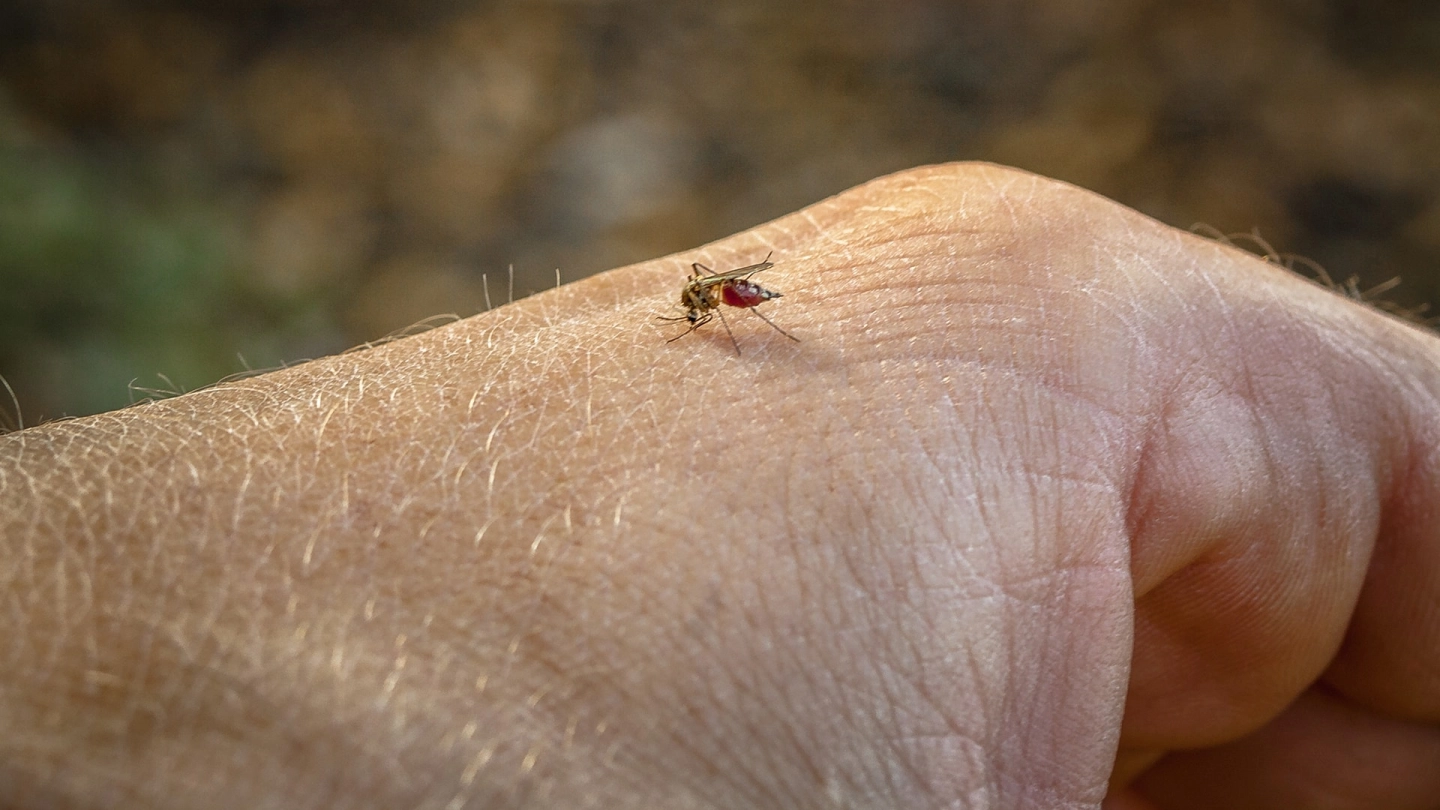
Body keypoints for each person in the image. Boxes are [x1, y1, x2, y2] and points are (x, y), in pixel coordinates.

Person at [2, 163, 1437, 809]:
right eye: (712, 301)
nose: (712, 304)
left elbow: (739, 308)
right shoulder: (717, 314)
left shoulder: (730, 304)